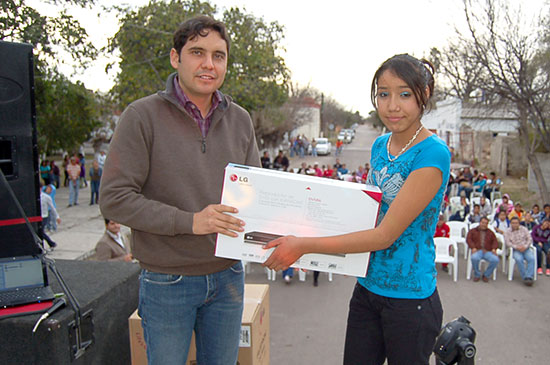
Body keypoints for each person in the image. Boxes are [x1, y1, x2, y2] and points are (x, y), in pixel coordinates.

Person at [263, 54, 449, 364]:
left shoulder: (432, 153)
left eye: (404, 94)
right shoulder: (380, 145)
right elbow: (364, 210)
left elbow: (384, 235)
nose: (392, 105)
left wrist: (303, 245)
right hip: (367, 290)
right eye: (383, 93)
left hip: (410, 301)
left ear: (424, 94)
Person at [99, 16, 261, 365]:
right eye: (197, 52)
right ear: (176, 57)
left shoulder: (241, 120)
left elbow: (256, 195)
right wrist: (191, 222)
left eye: (219, 56)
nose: (208, 64)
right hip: (166, 279)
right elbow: (114, 198)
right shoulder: (141, 116)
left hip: (229, 275)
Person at [466, 216, 500, 282]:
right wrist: (473, 247)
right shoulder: (473, 231)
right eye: (483, 223)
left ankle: (486, 275)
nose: (484, 224)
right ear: (480, 223)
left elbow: (495, 241)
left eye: (486, 223)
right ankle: (477, 274)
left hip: (488, 251)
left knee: (495, 260)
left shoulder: (490, 233)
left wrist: (494, 248)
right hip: (477, 250)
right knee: (474, 258)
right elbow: (468, 240)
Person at [505, 216, 535, 286]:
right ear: (510, 223)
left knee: (531, 258)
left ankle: (529, 276)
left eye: (516, 223)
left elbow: (529, 239)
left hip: (525, 248)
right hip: (516, 250)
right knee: (519, 259)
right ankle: (525, 277)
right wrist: (517, 247)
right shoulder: (508, 231)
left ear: (519, 223)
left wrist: (525, 246)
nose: (515, 224)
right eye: (513, 223)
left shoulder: (524, 229)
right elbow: (508, 243)